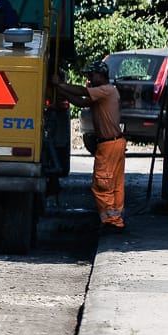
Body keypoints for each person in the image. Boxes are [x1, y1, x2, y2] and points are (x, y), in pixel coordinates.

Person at [53, 60, 125, 232]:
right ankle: (116, 219)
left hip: (109, 144)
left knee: (102, 184)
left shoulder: (105, 90)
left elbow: (82, 91)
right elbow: (81, 102)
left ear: (101, 75)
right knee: (114, 184)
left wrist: (60, 84)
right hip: (114, 143)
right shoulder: (106, 93)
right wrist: (60, 90)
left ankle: (111, 222)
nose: (89, 79)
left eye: (91, 75)